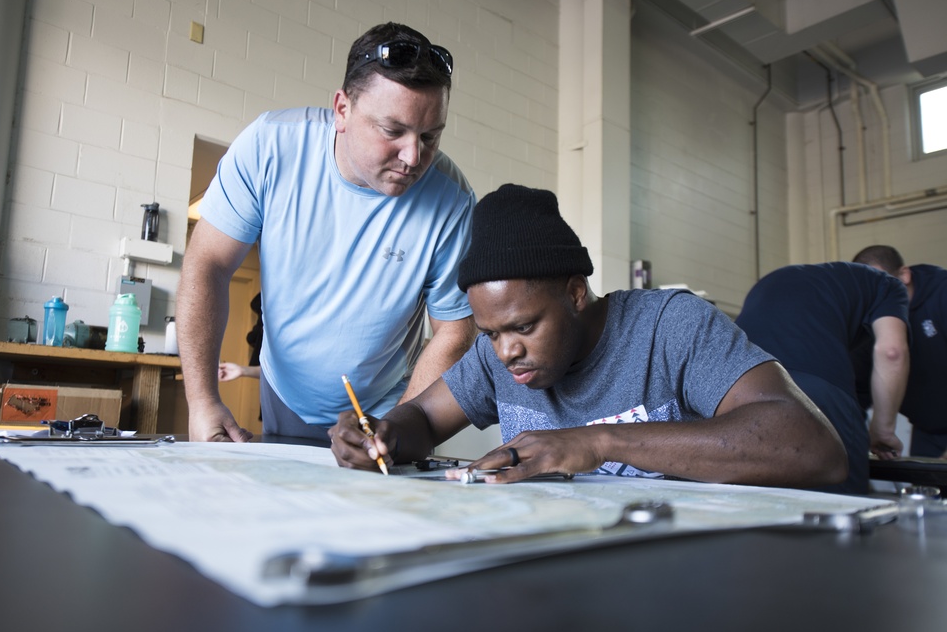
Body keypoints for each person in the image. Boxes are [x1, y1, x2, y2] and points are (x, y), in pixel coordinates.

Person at [330, 184, 848, 490]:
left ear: (576, 293)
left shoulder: (672, 326)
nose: (506, 350)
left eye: (524, 326)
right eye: (490, 333)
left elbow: (811, 446)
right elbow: (421, 417)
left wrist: (597, 442)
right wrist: (383, 433)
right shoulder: (496, 355)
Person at [178, 22, 477, 445]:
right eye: (393, 131)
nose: (413, 157)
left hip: (387, 402)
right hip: (284, 393)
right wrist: (203, 400)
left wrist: (402, 426)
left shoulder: (453, 200)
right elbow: (207, 264)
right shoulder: (270, 146)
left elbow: (454, 330)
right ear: (342, 110)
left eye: (430, 136)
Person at [734, 261, 910, 494]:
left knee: (761, 509)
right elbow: (892, 351)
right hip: (817, 392)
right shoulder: (888, 284)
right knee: (841, 512)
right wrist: (883, 431)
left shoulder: (772, 280)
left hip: (741, 391)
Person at [853, 245, 947, 458]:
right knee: (927, 489)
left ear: (904, 275)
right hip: (927, 431)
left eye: (882, 285)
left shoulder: (942, 294)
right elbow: (856, 391)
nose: (876, 298)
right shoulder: (869, 323)